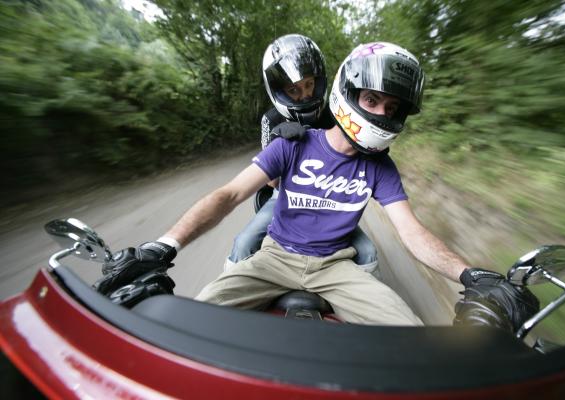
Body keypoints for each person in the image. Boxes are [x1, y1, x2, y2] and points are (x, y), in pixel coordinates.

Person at [99, 42, 538, 328]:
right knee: (183, 327)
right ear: (349, 94)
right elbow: (229, 194)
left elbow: (412, 232)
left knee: (415, 339)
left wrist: (472, 274)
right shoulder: (290, 142)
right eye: (371, 99)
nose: (382, 113)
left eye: (392, 106)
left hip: (335, 265)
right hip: (273, 257)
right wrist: (165, 246)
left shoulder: (381, 166)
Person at [226, 34, 379, 274]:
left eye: (309, 85)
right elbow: (271, 181)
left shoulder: (335, 114)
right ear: (280, 91)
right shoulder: (271, 119)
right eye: (294, 89)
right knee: (243, 243)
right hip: (284, 197)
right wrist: (279, 141)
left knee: (368, 252)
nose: (305, 94)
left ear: (318, 82)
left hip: (333, 199)